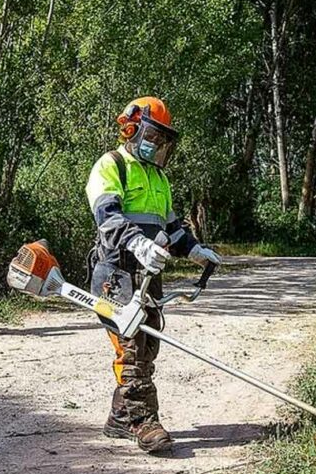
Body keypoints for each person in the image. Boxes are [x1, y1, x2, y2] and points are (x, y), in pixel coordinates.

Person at [85, 96, 222, 453]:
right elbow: (108, 218)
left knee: (147, 347)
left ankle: (119, 416)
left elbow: (171, 228)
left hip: (149, 277)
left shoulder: (159, 178)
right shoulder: (111, 165)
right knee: (130, 347)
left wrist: (192, 249)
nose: (157, 144)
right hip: (116, 274)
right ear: (131, 128)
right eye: (152, 135)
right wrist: (136, 243)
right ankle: (142, 421)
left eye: (163, 139)